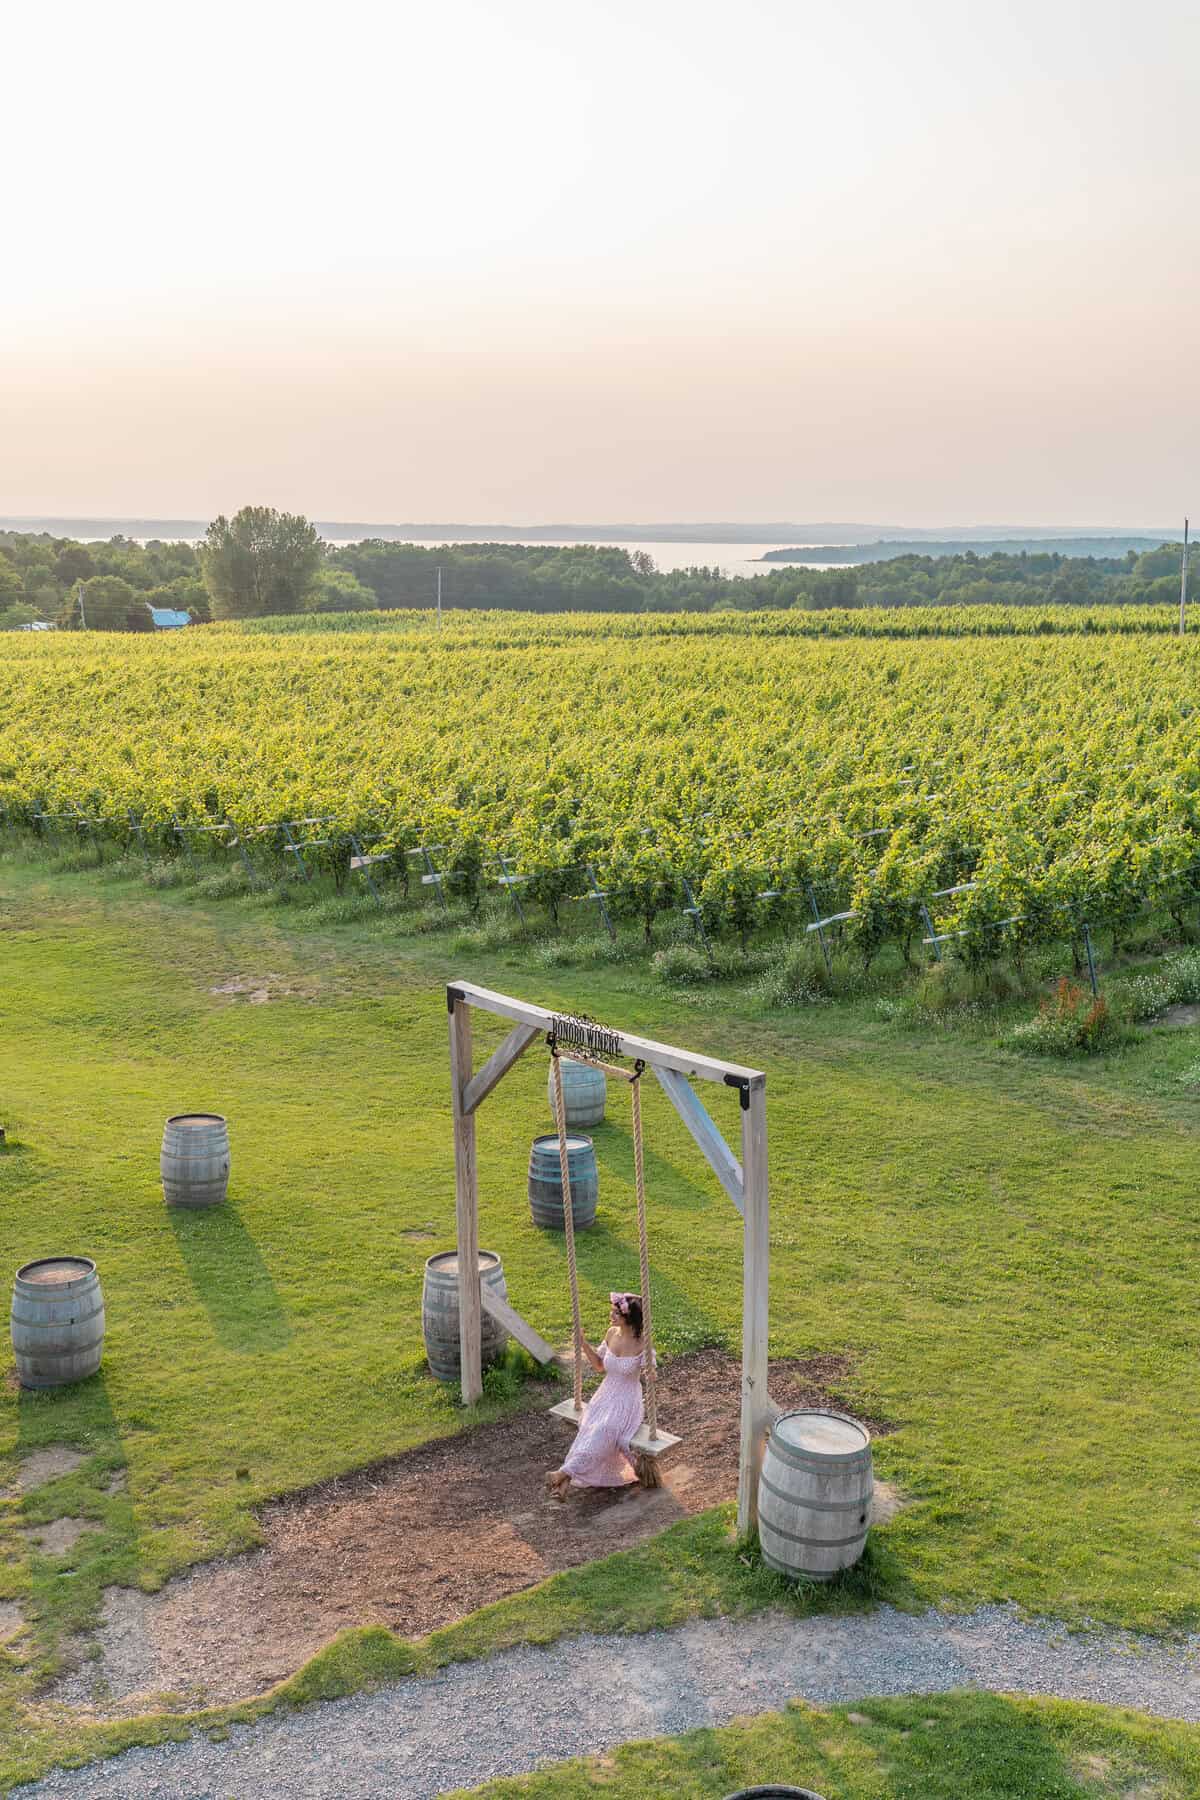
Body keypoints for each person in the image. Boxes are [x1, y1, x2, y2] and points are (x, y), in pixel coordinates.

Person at [547, 1293, 651, 1498]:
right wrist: (583, 1344)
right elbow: (599, 1366)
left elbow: (649, 1368)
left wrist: (651, 1370)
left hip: (627, 1400)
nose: (611, 1316)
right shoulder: (612, 1333)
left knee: (604, 1430)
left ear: (629, 1318)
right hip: (604, 1396)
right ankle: (564, 1483)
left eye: (616, 1313)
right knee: (588, 1429)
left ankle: (563, 1474)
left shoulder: (642, 1342)